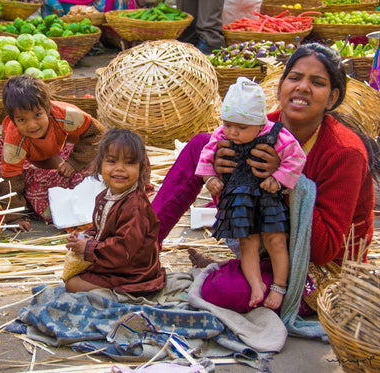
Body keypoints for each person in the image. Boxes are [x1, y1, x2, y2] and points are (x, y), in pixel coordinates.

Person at [153, 42, 377, 314]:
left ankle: (239, 272)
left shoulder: (344, 152)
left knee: (221, 289)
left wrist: (284, 180)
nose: (302, 87)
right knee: (202, 146)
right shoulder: (257, 127)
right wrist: (219, 170)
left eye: (317, 82)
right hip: (262, 235)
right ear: (280, 87)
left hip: (319, 266)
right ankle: (143, 245)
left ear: (332, 98)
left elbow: (325, 250)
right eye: (294, 78)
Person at [195, 77, 306, 310]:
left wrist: (278, 179)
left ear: (259, 124)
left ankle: (279, 285)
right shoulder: (221, 135)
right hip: (241, 200)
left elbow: (296, 158)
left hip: (268, 200)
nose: (233, 132)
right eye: (228, 124)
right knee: (248, 242)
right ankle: (256, 285)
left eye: (241, 127)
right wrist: (211, 178)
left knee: (276, 241)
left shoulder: (276, 134)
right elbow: (206, 156)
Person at [0, 74, 105, 231]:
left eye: (38, 115)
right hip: (27, 157)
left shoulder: (66, 115)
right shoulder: (14, 140)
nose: (32, 125)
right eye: (22, 120)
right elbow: (11, 178)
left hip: (59, 147)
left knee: (94, 169)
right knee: (21, 181)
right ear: (13, 120)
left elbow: (96, 133)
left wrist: (74, 162)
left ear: (48, 108)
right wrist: (14, 217)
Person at [65, 129, 166, 295]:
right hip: (112, 262)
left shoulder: (135, 207)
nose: (120, 169)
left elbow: (123, 249)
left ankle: (121, 293)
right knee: (72, 276)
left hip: (133, 272)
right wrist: (84, 238)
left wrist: (89, 248)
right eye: (111, 161)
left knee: (72, 284)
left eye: (129, 163)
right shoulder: (104, 197)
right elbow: (101, 230)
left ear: (141, 169)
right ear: (100, 165)